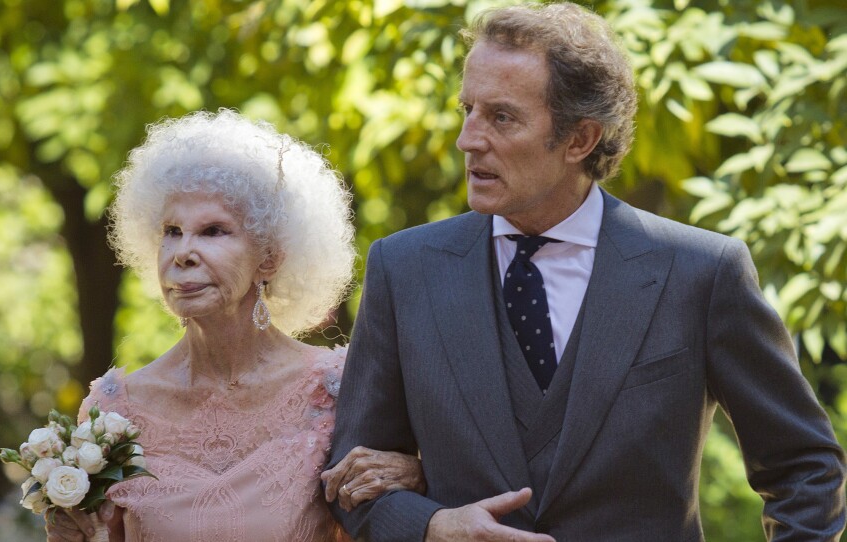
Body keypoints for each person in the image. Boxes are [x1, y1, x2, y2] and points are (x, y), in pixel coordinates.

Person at [323, 3, 846, 541]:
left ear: (580, 139)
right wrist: (431, 525)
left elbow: (805, 468)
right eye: (467, 110)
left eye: (501, 117)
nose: (468, 139)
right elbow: (352, 482)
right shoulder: (404, 269)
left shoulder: (701, 273)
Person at [44, 110, 425, 542]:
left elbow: (389, 516)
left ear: (269, 258)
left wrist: (417, 474)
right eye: (172, 231)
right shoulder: (116, 408)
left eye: (212, 231)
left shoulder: (337, 388)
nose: (183, 252)